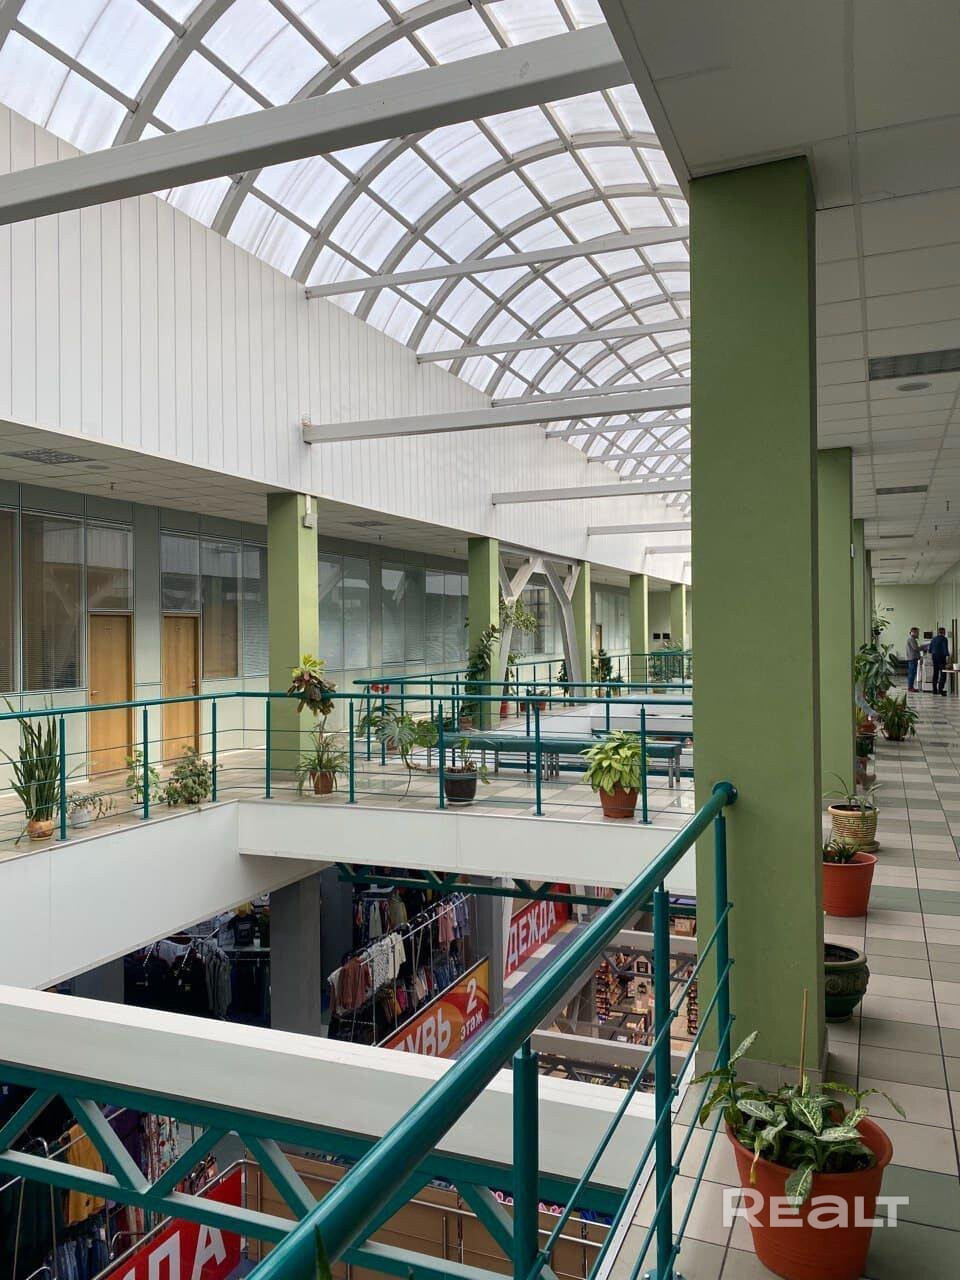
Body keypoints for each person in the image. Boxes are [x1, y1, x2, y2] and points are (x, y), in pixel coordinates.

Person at [930, 627, 950, 696]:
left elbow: (930, 649)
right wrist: (947, 656)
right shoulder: (944, 639)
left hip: (934, 657)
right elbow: (945, 648)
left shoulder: (933, 639)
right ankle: (941, 690)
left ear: (938, 632)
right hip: (941, 658)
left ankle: (934, 690)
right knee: (943, 674)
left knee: (935, 673)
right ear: (944, 632)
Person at [906, 627, 922, 692]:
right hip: (912, 659)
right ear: (913, 632)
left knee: (912, 673)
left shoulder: (912, 639)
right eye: (917, 633)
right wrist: (923, 647)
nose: (918, 634)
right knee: (912, 673)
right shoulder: (911, 639)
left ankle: (910, 687)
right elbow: (915, 648)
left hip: (912, 659)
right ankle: (910, 687)